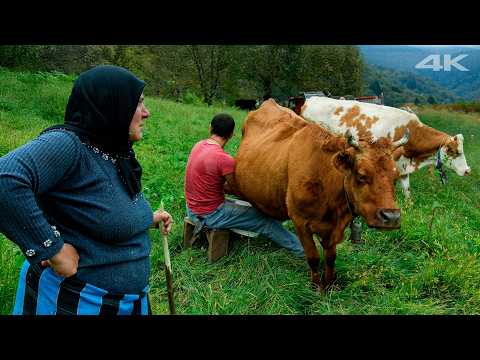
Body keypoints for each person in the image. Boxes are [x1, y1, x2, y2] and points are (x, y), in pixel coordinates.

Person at [0, 65, 173, 315]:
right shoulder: (69, 145)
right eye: (138, 104)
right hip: (74, 302)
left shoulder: (113, 151)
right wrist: (53, 250)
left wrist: (147, 219)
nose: (146, 113)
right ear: (111, 104)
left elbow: (98, 211)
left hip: (125, 303)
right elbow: (5, 179)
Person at [184, 113, 304, 257]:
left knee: (244, 207)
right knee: (264, 220)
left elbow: (210, 181)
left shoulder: (199, 145)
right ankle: (302, 251)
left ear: (210, 128)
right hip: (210, 216)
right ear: (232, 134)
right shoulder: (224, 159)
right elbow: (237, 189)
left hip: (191, 209)